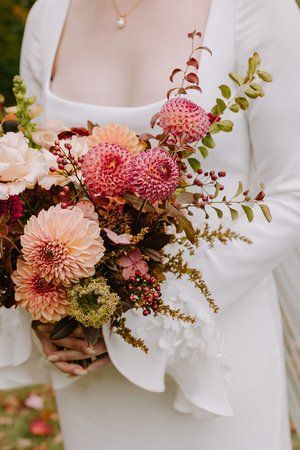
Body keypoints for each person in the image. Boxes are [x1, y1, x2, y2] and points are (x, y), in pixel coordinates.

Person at [1, 0, 300, 449]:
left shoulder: (254, 10)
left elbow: (290, 194)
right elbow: (37, 177)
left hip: (212, 347)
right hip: (91, 366)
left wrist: (138, 321)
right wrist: (50, 307)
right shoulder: (50, 13)